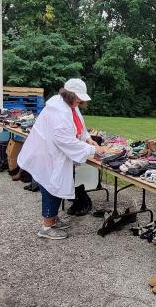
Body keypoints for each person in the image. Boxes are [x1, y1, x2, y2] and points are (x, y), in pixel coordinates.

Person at [17, 78, 103, 240]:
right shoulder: (59, 112)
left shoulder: (68, 105)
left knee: (58, 185)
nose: (79, 100)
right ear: (68, 94)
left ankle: (53, 219)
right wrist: (93, 149)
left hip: (55, 153)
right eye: (77, 97)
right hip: (48, 155)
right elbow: (65, 141)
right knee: (52, 188)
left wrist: (88, 138)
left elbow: (79, 125)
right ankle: (46, 227)